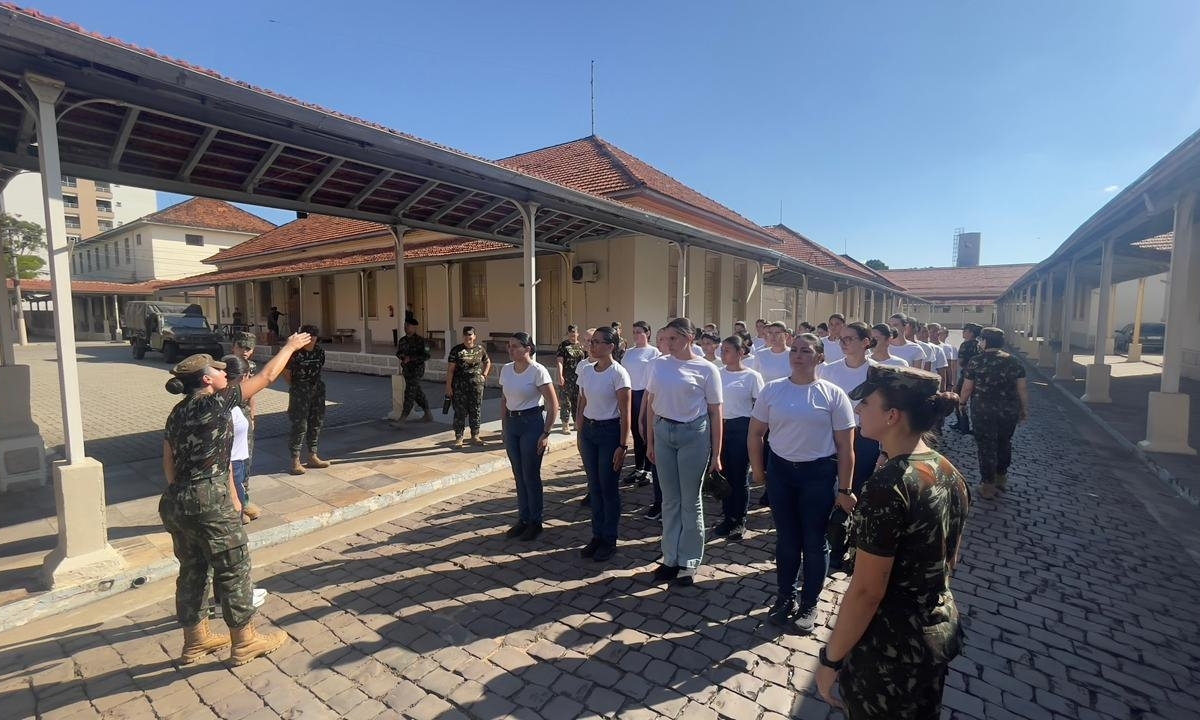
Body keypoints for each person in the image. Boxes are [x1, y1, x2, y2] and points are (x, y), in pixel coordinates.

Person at [816, 365, 969, 719]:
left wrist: (830, 660)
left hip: (890, 652)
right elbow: (950, 558)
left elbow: (867, 590)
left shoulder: (889, 486)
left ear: (892, 416)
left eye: (866, 403)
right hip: (933, 638)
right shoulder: (946, 470)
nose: (858, 410)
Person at [160, 332, 310, 666]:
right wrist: (289, 347)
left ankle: (195, 642)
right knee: (233, 568)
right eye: (217, 371)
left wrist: (192, 495)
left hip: (177, 500)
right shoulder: (217, 402)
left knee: (193, 569)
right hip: (207, 499)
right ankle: (244, 642)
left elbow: (169, 461)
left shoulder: (177, 412)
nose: (224, 372)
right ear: (205, 380)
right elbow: (267, 377)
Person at [749, 333, 855, 633]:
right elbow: (756, 432)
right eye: (794, 350)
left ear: (819, 357)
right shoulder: (773, 390)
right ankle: (785, 596)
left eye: (805, 351)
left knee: (814, 540)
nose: (797, 355)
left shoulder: (833, 395)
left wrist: (845, 490)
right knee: (786, 539)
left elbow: (846, 448)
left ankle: (810, 602)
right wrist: (758, 470)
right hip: (781, 473)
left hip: (818, 476)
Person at [644, 318, 723, 587]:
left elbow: (715, 412)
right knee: (670, 500)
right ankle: (669, 558)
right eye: (665, 339)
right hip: (664, 433)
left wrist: (716, 453)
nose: (667, 344)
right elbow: (651, 403)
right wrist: (650, 441)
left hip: (693, 436)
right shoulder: (660, 364)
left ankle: (688, 562)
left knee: (691, 501)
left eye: (672, 339)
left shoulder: (707, 369)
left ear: (689, 338)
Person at [818, 322, 881, 571]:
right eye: (841, 339)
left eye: (850, 338)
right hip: (833, 436)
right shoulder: (829, 370)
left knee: (854, 492)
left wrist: (884, 450)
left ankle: (843, 547)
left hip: (865, 438)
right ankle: (824, 542)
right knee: (828, 490)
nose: (843, 343)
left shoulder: (877, 372)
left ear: (866, 342)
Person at [575, 326, 632, 561]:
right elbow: (582, 399)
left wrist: (623, 445)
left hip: (609, 433)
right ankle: (596, 535)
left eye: (598, 342)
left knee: (608, 488)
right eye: (592, 341)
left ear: (611, 346)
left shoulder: (619, 374)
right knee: (594, 486)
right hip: (589, 431)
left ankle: (609, 539)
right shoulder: (587, 370)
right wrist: (579, 428)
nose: (592, 345)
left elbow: (625, 413)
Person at [499, 332, 559, 541]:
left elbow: (553, 405)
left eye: (516, 346)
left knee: (530, 474)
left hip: (532, 423)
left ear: (528, 348)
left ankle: (535, 521)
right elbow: (504, 399)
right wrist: (504, 427)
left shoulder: (537, 371)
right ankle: (522, 519)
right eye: (509, 346)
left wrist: (546, 432)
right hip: (513, 424)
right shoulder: (506, 370)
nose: (511, 349)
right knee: (518, 474)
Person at [960, 327, 1028, 498]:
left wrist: (961, 403)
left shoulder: (976, 361)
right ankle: (1001, 477)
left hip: (983, 410)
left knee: (986, 446)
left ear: (984, 341)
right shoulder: (1015, 361)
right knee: (1004, 442)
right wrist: (1024, 409)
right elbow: (1022, 389)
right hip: (1008, 410)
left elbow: (967, 387)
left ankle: (987, 485)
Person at [714, 334, 763, 540]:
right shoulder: (717, 373)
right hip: (720, 427)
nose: (722, 353)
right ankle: (727, 516)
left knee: (739, 475)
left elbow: (760, 406)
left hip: (741, 427)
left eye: (727, 350)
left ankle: (739, 520)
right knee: (723, 474)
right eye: (722, 349)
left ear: (740, 353)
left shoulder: (752, 376)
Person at [284, 325, 330, 475]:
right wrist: (297, 386)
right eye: (310, 335)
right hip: (300, 391)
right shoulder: (295, 353)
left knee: (316, 422)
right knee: (300, 424)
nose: (313, 338)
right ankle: (295, 460)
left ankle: (312, 456)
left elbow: (320, 367)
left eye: (315, 335)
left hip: (317, 389)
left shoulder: (319, 351)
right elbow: (286, 373)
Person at [621, 321, 660, 490]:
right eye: (634, 332)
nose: (636, 335)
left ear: (648, 333)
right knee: (635, 433)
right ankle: (638, 467)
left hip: (645, 394)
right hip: (630, 394)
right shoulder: (628, 353)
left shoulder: (654, 353)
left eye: (639, 332)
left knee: (646, 431)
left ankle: (649, 469)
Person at [221, 355, 260, 522]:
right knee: (235, 513)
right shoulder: (225, 399)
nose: (250, 378)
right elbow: (267, 377)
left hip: (238, 459)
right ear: (243, 377)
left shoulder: (231, 397)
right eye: (248, 375)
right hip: (232, 462)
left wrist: (251, 416)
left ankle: (241, 505)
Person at [445, 326, 492, 448]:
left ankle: (475, 436)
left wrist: (484, 375)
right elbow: (450, 370)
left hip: (476, 387)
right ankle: (459, 437)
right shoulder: (456, 350)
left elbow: (487, 362)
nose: (468, 338)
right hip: (459, 387)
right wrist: (448, 387)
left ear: (474, 337)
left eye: (470, 336)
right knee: (460, 412)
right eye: (466, 336)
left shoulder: (480, 349)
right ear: (463, 336)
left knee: (475, 411)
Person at [395, 317, 433, 423]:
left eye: (408, 326)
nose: (405, 327)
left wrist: (411, 358)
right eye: (405, 325)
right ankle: (428, 413)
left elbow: (427, 356)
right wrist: (403, 357)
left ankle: (402, 419)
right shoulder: (402, 340)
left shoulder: (422, 341)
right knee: (416, 392)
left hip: (417, 371)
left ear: (414, 327)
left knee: (409, 393)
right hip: (407, 370)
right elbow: (398, 353)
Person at [555, 325, 586, 434]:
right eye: (571, 334)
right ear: (568, 334)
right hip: (566, 378)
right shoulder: (563, 346)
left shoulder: (581, 346)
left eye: (574, 334)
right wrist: (560, 375)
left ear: (578, 334)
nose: (573, 336)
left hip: (578, 378)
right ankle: (565, 424)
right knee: (565, 401)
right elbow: (560, 361)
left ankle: (576, 423)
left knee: (577, 401)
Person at [954, 323, 982, 433]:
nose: (963, 332)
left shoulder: (965, 345)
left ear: (971, 333)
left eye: (965, 330)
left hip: (966, 375)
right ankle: (976, 427)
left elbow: (960, 361)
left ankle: (962, 424)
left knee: (960, 399)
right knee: (975, 402)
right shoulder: (979, 345)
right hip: (979, 377)